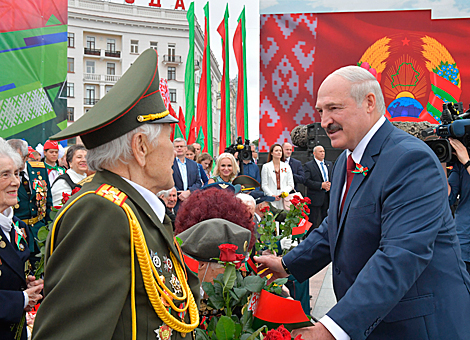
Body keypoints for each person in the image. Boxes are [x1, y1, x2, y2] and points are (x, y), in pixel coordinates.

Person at [255, 65, 470, 340]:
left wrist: (331, 329)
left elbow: (402, 254)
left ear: (369, 102)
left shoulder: (410, 160)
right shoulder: (347, 159)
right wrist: (287, 265)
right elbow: (337, 225)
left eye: (334, 108)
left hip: (419, 327)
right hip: (379, 322)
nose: (324, 121)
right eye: (321, 111)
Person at [32, 49, 200, 340]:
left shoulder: (132, 208)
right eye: (169, 138)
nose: (175, 150)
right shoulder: (103, 212)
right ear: (140, 147)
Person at [0, 138, 44, 340]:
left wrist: (25, 285)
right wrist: (22, 298)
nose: (16, 182)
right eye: (5, 175)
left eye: (16, 173)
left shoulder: (19, 226)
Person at [7, 139, 52, 260]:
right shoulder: (5, 175)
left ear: (27, 157)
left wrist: (48, 228)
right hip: (17, 232)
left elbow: (48, 201)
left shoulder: (39, 170)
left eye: (18, 158)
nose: (14, 162)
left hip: (39, 231)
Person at [447, 137, 470, 274]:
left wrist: (467, 162)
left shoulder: (465, 159)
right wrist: (441, 161)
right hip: (463, 242)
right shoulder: (462, 160)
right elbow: (447, 198)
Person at [303, 145, 332, 231]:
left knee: (327, 220)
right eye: (320, 151)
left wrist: (330, 185)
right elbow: (306, 181)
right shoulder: (309, 165)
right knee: (313, 221)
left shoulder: (329, 164)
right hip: (315, 198)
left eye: (323, 151)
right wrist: (320, 185)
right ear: (314, 153)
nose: (322, 153)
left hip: (327, 197)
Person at [261, 144, 294, 210]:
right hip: (271, 199)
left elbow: (291, 184)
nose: (279, 152)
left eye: (280, 151)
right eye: (276, 151)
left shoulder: (286, 166)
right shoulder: (266, 167)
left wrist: (283, 193)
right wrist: (272, 195)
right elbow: (264, 185)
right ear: (271, 153)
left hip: (284, 199)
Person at [172, 138, 202, 211]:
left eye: (181, 146)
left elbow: (198, 182)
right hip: (175, 201)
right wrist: (179, 193)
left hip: (191, 201)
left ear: (186, 148)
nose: (179, 148)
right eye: (177, 146)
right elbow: (166, 181)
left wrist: (189, 192)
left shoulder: (193, 164)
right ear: (173, 149)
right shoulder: (169, 163)